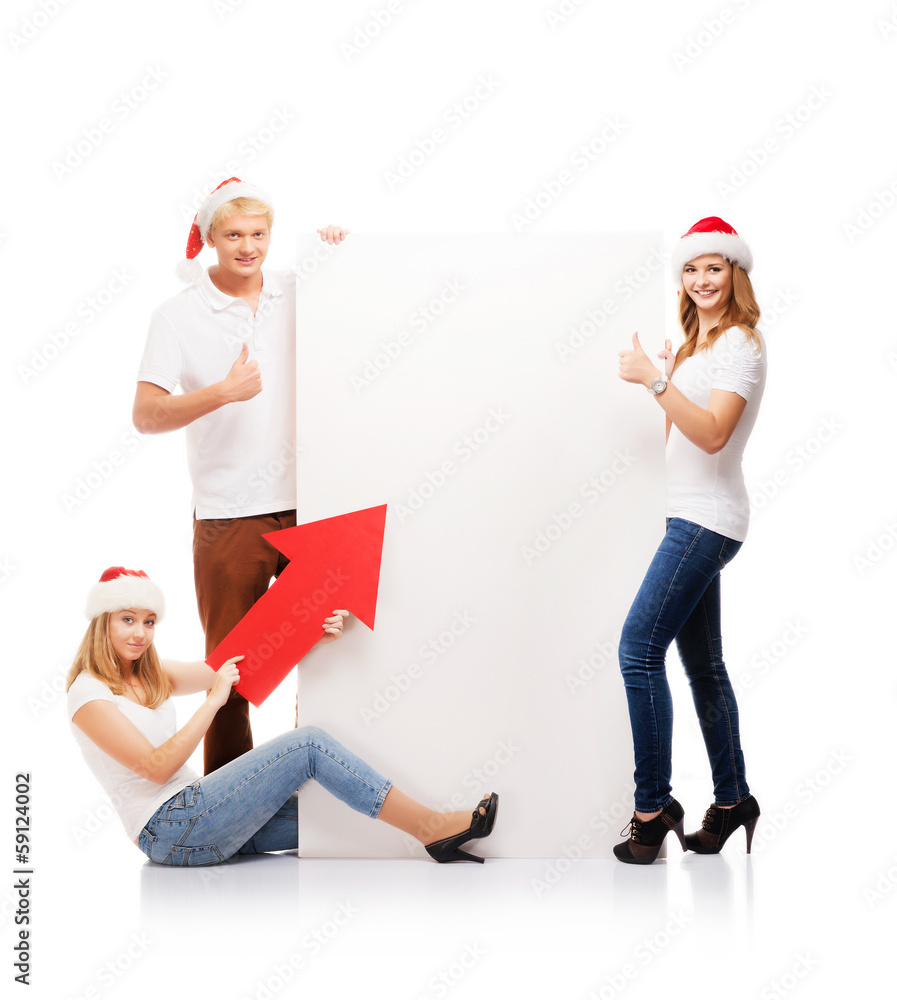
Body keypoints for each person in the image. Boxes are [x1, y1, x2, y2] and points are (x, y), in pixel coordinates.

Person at [66, 567, 499, 866]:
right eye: (127, 620)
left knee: (321, 815)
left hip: (202, 824)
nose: (141, 633)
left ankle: (436, 837)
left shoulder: (151, 673)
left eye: (149, 621)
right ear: (102, 623)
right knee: (308, 744)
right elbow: (155, 768)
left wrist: (309, 638)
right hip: (170, 829)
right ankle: (432, 828)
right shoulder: (88, 693)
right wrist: (212, 703)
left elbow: (234, 666)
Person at [132, 177, 348, 774]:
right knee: (231, 671)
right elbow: (146, 415)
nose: (248, 247)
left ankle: (323, 797)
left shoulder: (298, 291)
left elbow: (365, 303)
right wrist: (222, 392)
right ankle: (233, 808)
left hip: (315, 502)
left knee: (333, 653)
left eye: (258, 234)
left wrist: (339, 252)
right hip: (230, 512)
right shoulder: (177, 316)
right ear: (211, 239)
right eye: (233, 235)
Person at [613, 217, 765, 864]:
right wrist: (667, 377)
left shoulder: (740, 346)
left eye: (714, 268)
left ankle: (651, 810)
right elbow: (683, 427)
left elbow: (710, 436)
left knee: (636, 651)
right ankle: (732, 802)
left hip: (707, 521)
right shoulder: (699, 350)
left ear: (734, 274)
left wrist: (653, 380)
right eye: (691, 269)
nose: (702, 280)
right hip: (689, 515)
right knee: (703, 667)